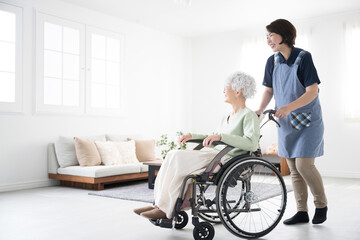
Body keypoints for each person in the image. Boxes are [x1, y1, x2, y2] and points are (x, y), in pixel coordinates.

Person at [133, 71, 260, 220]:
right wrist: (192, 136)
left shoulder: (248, 115)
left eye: (226, 87)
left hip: (226, 159)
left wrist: (221, 136)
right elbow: (213, 136)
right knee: (172, 155)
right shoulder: (226, 116)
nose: (223, 91)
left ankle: (166, 209)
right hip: (213, 154)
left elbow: (251, 144)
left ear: (238, 91)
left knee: (177, 157)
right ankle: (159, 205)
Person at [256, 19, 328, 225]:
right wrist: (260, 110)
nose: (268, 40)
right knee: (294, 169)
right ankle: (302, 211)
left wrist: (288, 107)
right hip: (286, 122)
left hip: (308, 121)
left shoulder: (303, 58)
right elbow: (269, 90)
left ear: (284, 34)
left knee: (305, 166)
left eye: (271, 35)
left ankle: (321, 205)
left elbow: (312, 91)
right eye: (266, 36)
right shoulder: (272, 61)